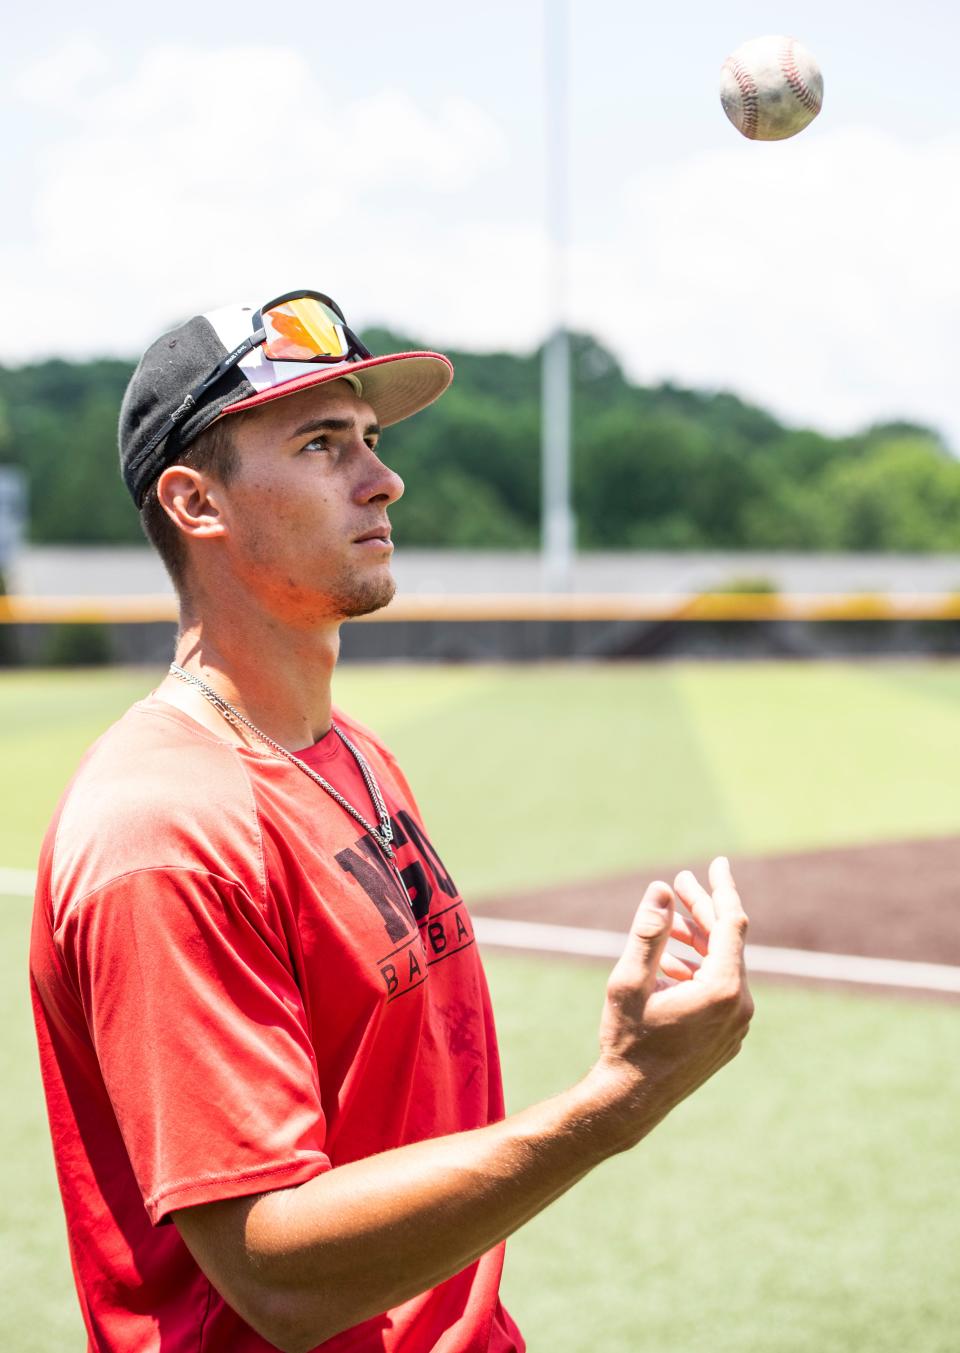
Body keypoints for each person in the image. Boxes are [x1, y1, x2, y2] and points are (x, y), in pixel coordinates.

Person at [30, 290, 754, 1353]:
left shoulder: (352, 753)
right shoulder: (162, 830)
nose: (384, 477)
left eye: (369, 439)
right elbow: (279, 1280)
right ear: (195, 503)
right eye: (324, 445)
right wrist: (617, 1099)